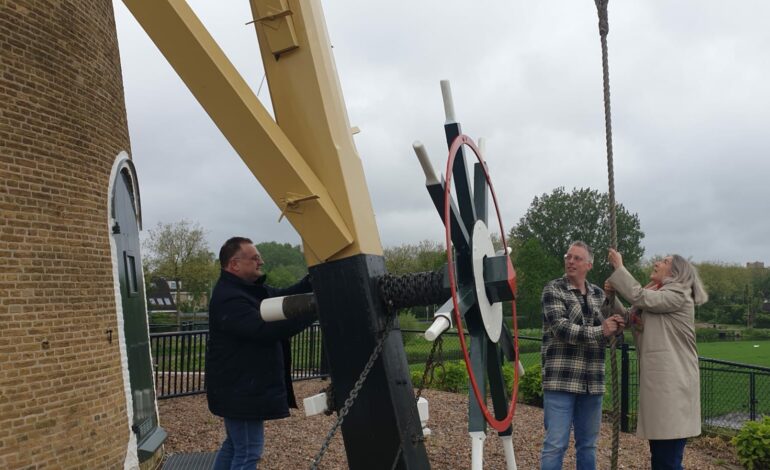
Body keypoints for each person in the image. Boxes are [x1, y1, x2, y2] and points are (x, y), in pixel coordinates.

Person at [206, 237, 315, 469]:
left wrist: (313, 281)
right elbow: (264, 330)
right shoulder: (230, 298)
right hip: (241, 389)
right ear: (234, 264)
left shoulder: (248, 291)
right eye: (255, 258)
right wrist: (316, 310)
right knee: (248, 452)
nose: (261, 261)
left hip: (240, 387)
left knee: (235, 446)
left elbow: (282, 297)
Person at [606, 248, 708, 470]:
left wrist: (619, 269)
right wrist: (611, 296)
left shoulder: (678, 294)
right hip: (660, 389)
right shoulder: (657, 296)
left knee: (668, 460)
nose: (657, 262)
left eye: (664, 261)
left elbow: (639, 297)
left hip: (673, 387)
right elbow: (627, 318)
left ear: (676, 272)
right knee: (661, 457)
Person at [540, 241, 625, 470]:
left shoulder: (599, 294)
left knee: (588, 445)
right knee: (555, 444)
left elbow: (613, 332)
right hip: (561, 380)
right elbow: (561, 328)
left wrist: (615, 324)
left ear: (589, 265)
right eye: (568, 256)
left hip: (592, 383)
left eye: (577, 258)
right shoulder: (554, 289)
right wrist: (602, 329)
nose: (570, 261)